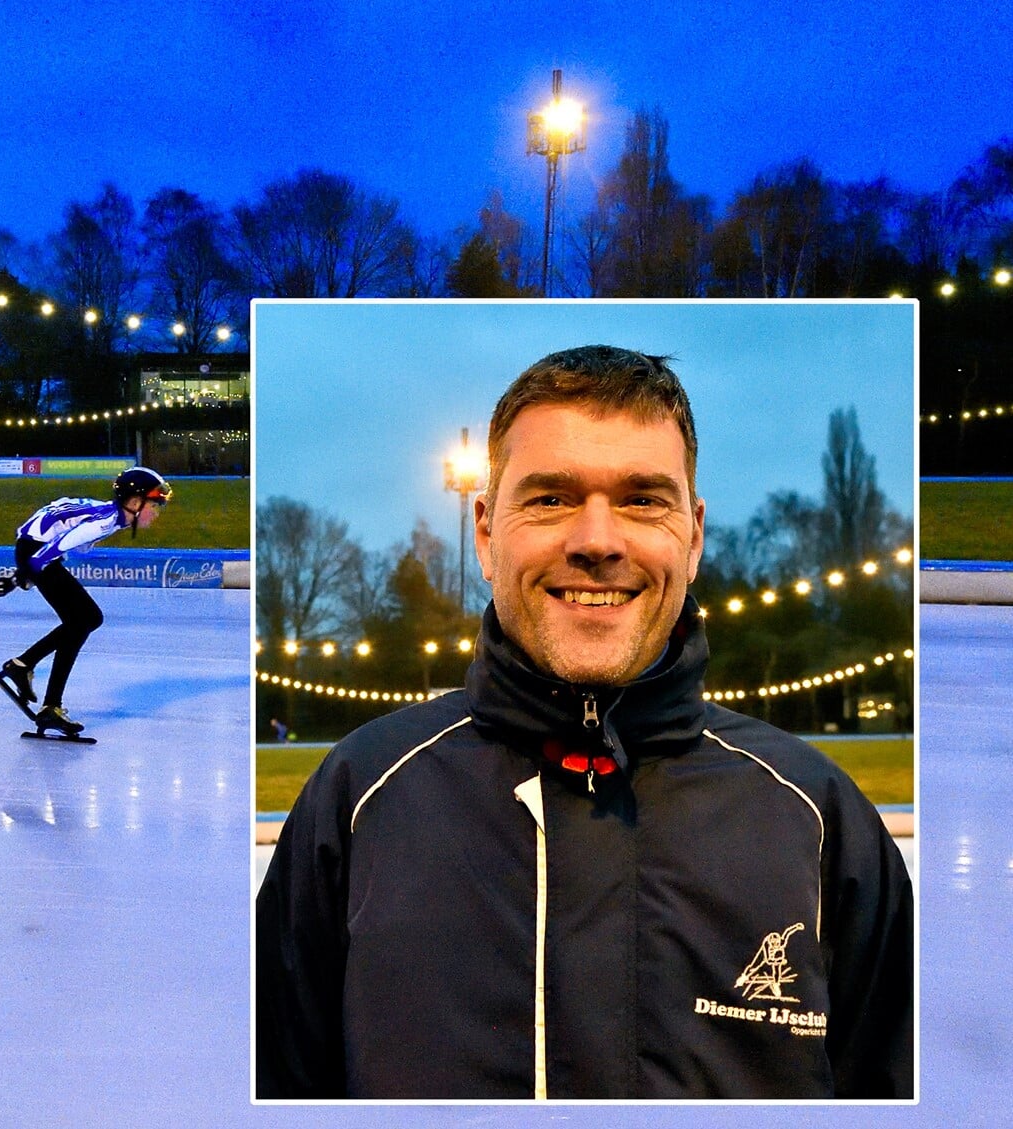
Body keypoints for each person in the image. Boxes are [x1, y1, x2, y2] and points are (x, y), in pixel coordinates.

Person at [255, 346, 913, 1100]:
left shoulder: (820, 818)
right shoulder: (358, 798)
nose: (596, 540)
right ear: (484, 532)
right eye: (549, 498)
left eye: (641, 499)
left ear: (693, 536)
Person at [0, 467, 172, 735]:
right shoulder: (105, 521)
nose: (157, 513)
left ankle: (26, 669)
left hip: (36, 549)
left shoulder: (112, 516)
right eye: (155, 505)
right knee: (85, 619)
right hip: (38, 552)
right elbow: (52, 549)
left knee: (84, 620)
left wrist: (25, 573)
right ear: (134, 502)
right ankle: (42, 693)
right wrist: (17, 579)